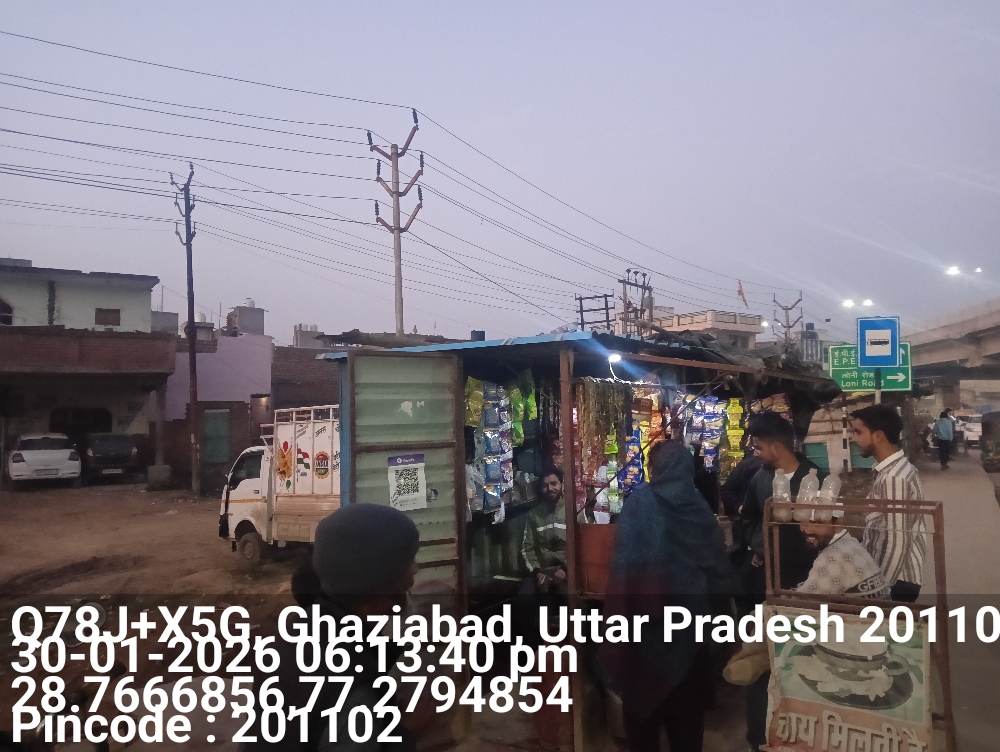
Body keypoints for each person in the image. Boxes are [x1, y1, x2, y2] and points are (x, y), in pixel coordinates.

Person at [242, 504, 424, 751]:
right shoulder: (354, 692)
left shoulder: (295, 630)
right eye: (408, 560)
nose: (415, 568)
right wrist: (407, 733)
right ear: (381, 580)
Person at [599, 442, 734, 752]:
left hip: (640, 636)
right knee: (687, 724)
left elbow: (623, 569)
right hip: (688, 633)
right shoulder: (698, 506)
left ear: (654, 469)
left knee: (642, 724)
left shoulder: (638, 504)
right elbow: (718, 570)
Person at [737, 412, 823, 752]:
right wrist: (760, 546)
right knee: (764, 661)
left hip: (808, 586)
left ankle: (801, 734)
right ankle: (759, 737)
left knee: (804, 660)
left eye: (758, 447)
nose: (755, 453)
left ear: (776, 446)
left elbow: (830, 528)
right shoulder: (760, 479)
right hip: (767, 584)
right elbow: (747, 518)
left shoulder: (816, 479)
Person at [850, 405, 926, 603]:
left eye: (858, 432)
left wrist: (881, 591)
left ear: (878, 436)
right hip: (893, 578)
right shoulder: (893, 470)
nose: (853, 438)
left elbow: (897, 541)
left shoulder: (894, 478)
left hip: (897, 581)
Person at [517, 467, 568, 644]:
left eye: (554, 484)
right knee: (524, 600)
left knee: (572, 599)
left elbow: (581, 545)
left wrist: (566, 570)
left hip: (566, 572)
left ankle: (573, 650)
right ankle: (534, 649)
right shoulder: (534, 515)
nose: (550, 488)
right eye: (545, 485)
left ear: (562, 485)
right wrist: (537, 572)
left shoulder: (573, 511)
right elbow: (527, 548)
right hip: (542, 571)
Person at [798, 507, 890, 599]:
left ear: (839, 524)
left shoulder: (833, 558)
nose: (807, 530)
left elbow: (805, 600)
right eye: (804, 522)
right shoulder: (850, 542)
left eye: (818, 523)